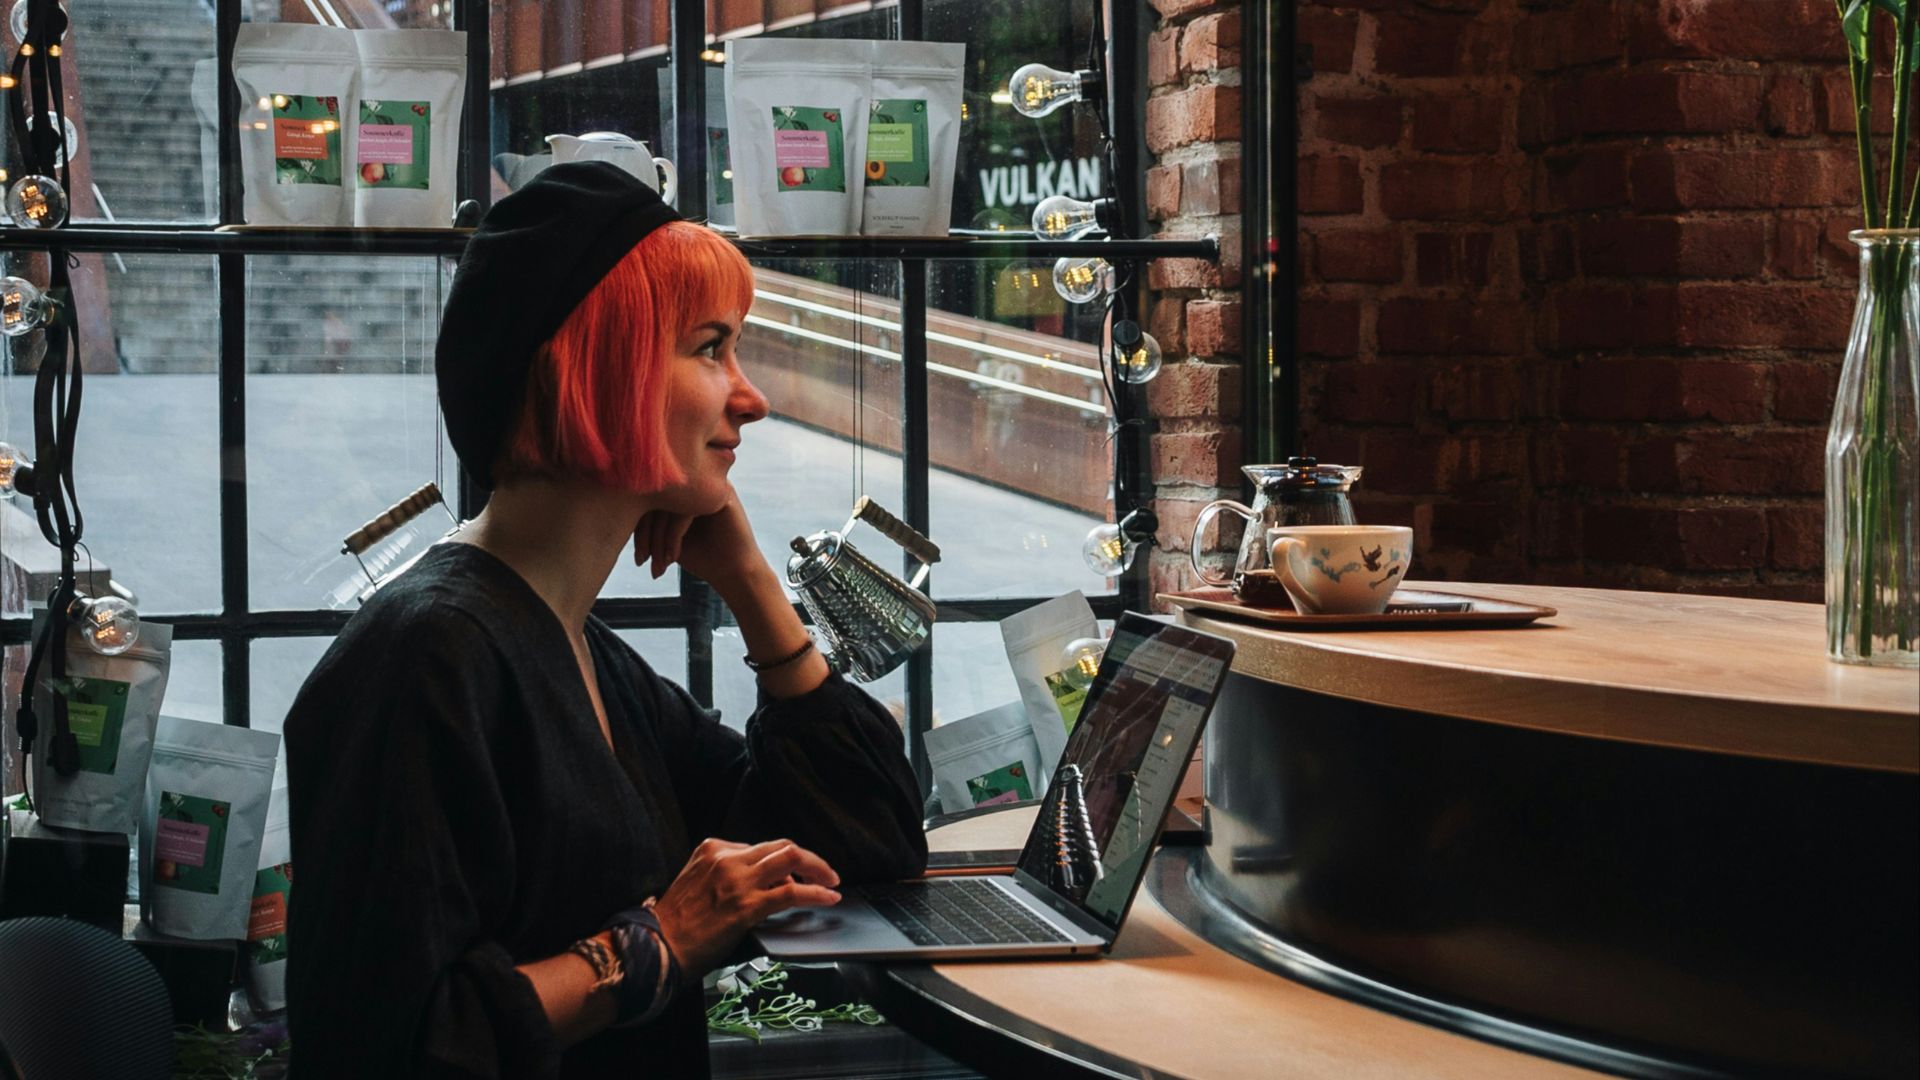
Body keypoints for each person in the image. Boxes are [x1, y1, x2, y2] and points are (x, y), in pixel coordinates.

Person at [282, 162, 927, 1078]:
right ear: (598, 367)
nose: (753, 398)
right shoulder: (427, 658)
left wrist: (749, 585)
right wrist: (662, 939)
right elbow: (389, 1048)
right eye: (710, 348)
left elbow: (865, 845)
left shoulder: (582, 654)